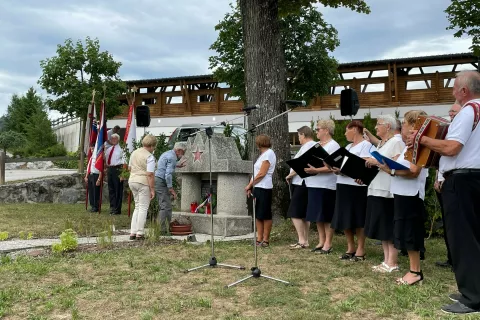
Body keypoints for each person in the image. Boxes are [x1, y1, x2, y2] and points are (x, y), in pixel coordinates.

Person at [406, 71, 480, 314]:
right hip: (474, 179)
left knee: (463, 240)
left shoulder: (469, 110)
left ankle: (472, 297)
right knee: (474, 237)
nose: (452, 92)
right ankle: (474, 289)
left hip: (462, 182)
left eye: (454, 88)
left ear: (464, 91)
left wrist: (422, 140)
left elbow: (451, 147)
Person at [378, 110, 428, 287]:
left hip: (411, 195)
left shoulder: (420, 145)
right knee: (404, 231)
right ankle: (413, 270)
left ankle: (415, 272)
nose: (403, 127)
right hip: (402, 193)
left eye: (405, 124)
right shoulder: (409, 145)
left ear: (413, 125)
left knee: (411, 232)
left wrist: (390, 169)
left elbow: (414, 171)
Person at [363, 115, 405, 273]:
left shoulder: (396, 141)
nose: (376, 127)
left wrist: (376, 162)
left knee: (388, 226)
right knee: (382, 227)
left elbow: (398, 164)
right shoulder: (382, 143)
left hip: (388, 190)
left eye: (378, 124)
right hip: (377, 188)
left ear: (388, 126)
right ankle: (386, 260)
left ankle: (393, 262)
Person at [330, 121, 373, 261]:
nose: (344, 133)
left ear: (355, 129)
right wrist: (336, 169)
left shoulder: (366, 145)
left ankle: (361, 248)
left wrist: (346, 168)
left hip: (357, 186)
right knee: (344, 216)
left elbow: (365, 164)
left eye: (346, 130)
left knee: (358, 217)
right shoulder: (348, 146)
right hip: (343, 184)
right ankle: (350, 246)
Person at [303, 119, 340, 254]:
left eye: (318, 129)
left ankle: (328, 243)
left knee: (326, 215)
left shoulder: (333, 145)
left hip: (326, 185)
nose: (316, 132)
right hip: (313, 183)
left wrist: (316, 170)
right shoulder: (317, 145)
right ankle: (321, 240)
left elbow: (333, 166)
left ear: (326, 130)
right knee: (317, 215)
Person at [434, 101, 461, 269]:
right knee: (448, 223)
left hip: (456, 182)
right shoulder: (448, 131)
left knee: (458, 224)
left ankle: (459, 260)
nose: (451, 114)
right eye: (450, 111)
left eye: (455, 112)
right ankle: (451, 257)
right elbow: (441, 161)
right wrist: (438, 178)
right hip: (442, 181)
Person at [285, 126, 316, 249]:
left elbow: (302, 165)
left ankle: (302, 240)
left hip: (302, 182)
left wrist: (290, 175)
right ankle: (305, 240)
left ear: (303, 134)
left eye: (298, 136)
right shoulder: (308, 146)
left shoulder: (309, 146)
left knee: (295, 212)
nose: (298, 139)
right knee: (303, 214)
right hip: (302, 182)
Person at [245, 134, 276, 248]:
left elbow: (262, 173)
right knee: (258, 214)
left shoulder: (269, 154)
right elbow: (256, 173)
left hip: (264, 187)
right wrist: (251, 187)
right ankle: (259, 238)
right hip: (258, 187)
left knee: (265, 214)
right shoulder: (262, 155)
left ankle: (266, 239)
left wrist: (249, 185)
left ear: (259, 144)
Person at [128, 134, 157, 240]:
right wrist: (152, 189)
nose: (154, 149)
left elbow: (129, 168)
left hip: (132, 180)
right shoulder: (149, 156)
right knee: (143, 207)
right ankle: (140, 232)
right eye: (154, 147)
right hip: (143, 182)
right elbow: (150, 174)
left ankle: (133, 232)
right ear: (152, 146)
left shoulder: (134, 153)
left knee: (137, 206)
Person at [154, 143, 187, 233]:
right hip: (161, 181)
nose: (182, 155)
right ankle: (162, 230)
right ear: (179, 150)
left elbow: (164, 165)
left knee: (163, 205)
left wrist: (177, 165)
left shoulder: (167, 153)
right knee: (166, 207)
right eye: (183, 152)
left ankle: (161, 228)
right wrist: (171, 188)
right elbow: (168, 175)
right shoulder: (172, 157)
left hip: (158, 179)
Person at [105, 133, 124, 215]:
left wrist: (122, 174)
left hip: (118, 169)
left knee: (118, 189)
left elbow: (124, 162)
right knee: (111, 189)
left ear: (118, 139)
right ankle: (112, 207)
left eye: (115, 139)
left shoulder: (121, 149)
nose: (113, 140)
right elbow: (105, 159)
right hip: (110, 169)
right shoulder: (109, 149)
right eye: (112, 139)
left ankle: (117, 208)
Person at [84, 144, 102, 212]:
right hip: (90, 175)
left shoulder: (98, 157)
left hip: (96, 175)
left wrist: (99, 179)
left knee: (95, 192)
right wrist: (86, 176)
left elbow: (100, 169)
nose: (92, 150)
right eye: (91, 149)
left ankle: (96, 207)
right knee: (91, 191)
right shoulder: (91, 158)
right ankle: (92, 206)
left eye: (93, 149)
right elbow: (88, 168)